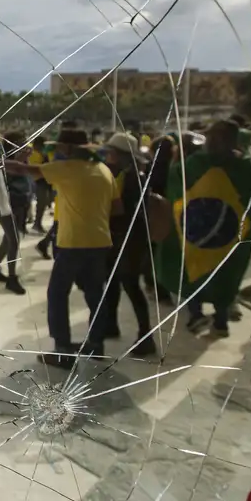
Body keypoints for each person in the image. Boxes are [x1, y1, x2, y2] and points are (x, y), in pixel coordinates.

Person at [5, 127, 115, 367]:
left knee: (57, 294)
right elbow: (115, 207)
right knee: (95, 294)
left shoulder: (67, 168)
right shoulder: (104, 170)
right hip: (100, 241)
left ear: (68, 149)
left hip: (73, 242)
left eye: (61, 147)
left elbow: (23, 170)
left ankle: (63, 350)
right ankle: (96, 344)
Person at [156, 120, 251, 337]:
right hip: (225, 235)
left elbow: (175, 188)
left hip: (197, 232)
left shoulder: (194, 164)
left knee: (194, 270)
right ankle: (217, 320)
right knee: (221, 273)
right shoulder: (245, 167)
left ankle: (201, 316)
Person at [100, 133, 155, 355]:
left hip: (130, 239)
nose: (108, 155)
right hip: (118, 237)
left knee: (130, 285)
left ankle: (146, 336)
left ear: (122, 155)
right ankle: (111, 325)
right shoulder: (124, 174)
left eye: (112, 152)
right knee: (111, 281)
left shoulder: (134, 178)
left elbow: (130, 212)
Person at [0, 133, 27, 295]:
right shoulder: (2, 159)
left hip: (18, 204)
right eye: (22, 143)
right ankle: (12, 278)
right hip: (5, 206)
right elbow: (9, 174)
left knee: (8, 239)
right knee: (14, 241)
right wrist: (21, 159)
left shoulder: (18, 158)